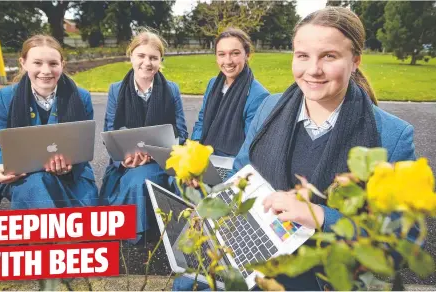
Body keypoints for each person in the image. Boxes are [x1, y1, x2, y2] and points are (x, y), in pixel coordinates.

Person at [173, 7, 416, 291]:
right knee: (189, 280)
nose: (313, 70)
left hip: (320, 275)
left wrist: (320, 216)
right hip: (254, 250)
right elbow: (241, 174)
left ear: (356, 61)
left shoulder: (392, 136)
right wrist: (212, 209)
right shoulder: (268, 109)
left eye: (329, 56)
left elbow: (402, 245)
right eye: (303, 56)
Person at [0, 34, 98, 210]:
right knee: (36, 185)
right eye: (37, 63)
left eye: (53, 64)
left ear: (62, 64)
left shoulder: (81, 97)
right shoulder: (6, 97)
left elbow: (83, 147)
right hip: (26, 177)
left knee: (88, 221)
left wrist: (70, 167)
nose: (46, 71)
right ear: (23, 63)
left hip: (73, 177)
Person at [99, 30, 188, 243]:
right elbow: (110, 132)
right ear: (131, 56)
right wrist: (125, 158)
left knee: (146, 179)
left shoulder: (171, 90)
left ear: (160, 61)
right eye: (141, 56)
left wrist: (155, 153)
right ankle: (138, 231)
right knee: (135, 178)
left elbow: (182, 133)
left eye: (153, 58)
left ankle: (145, 233)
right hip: (128, 162)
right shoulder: (116, 90)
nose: (147, 63)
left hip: (161, 160)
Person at [191, 27, 269, 158]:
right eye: (222, 54)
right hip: (204, 155)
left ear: (247, 54)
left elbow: (250, 145)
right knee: (175, 178)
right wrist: (195, 148)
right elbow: (201, 121)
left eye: (235, 53)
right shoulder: (212, 84)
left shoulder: (258, 95)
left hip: (231, 162)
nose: (228, 61)